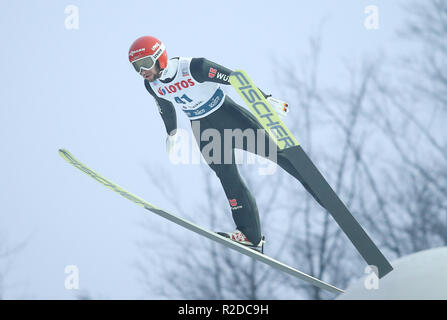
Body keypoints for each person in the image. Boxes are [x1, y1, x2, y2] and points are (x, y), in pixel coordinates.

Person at [129, 36, 296, 251]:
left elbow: (235, 79)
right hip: (203, 129)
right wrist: (171, 134)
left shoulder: (194, 67)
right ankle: (250, 235)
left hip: (228, 116)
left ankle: (315, 183)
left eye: (145, 63)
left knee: (276, 153)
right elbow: (166, 109)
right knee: (228, 177)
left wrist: (264, 99)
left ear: (160, 58)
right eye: (136, 66)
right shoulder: (152, 85)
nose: (142, 71)